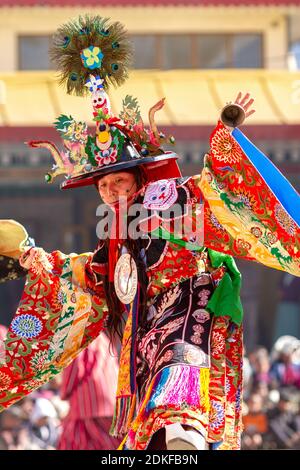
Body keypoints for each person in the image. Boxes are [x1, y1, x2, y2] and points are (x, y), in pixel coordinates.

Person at [0, 15, 299, 451]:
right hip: (145, 334)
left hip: (189, 314)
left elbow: (217, 187)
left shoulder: (171, 200)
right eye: (103, 186)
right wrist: (31, 256)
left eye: (118, 180)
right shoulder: (115, 236)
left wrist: (226, 133)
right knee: (150, 437)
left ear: (139, 178)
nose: (110, 191)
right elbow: (88, 278)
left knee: (178, 398)